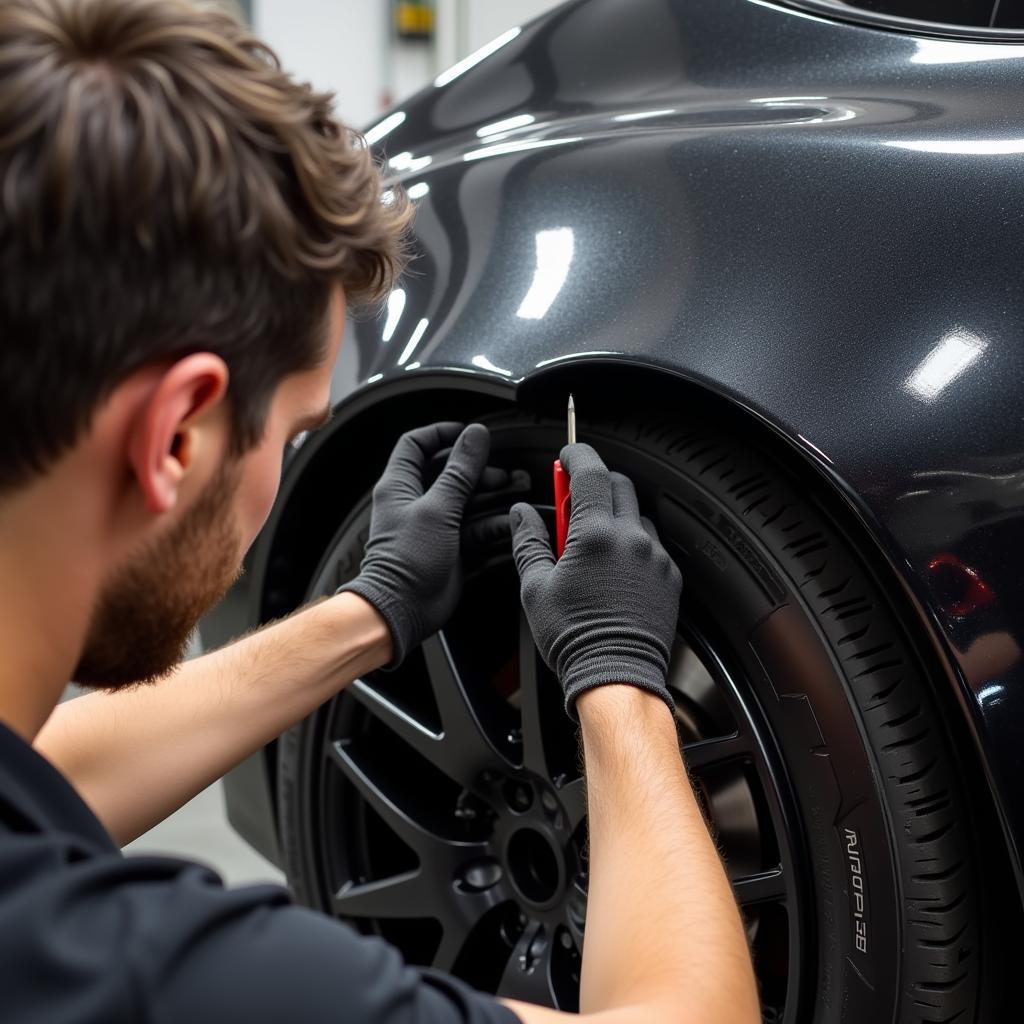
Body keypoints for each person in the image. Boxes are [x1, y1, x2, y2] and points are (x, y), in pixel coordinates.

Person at [0, 1, 760, 1021]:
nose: (287, 471)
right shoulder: (144, 970)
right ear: (177, 436)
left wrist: (371, 611)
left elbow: (47, 781)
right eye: (294, 432)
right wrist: (620, 687)